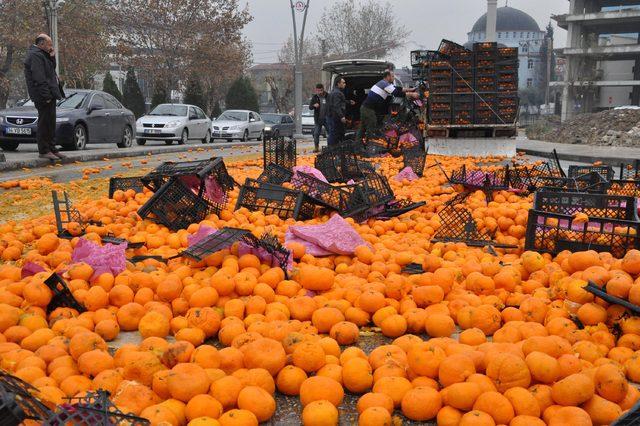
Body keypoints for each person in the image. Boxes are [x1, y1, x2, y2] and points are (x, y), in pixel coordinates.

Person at [24, 34, 65, 160]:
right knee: (44, 122)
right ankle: (44, 150)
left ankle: (52, 148)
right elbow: (39, 78)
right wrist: (46, 95)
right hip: (43, 95)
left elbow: (51, 70)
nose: (51, 47)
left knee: (50, 122)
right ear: (41, 44)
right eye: (49, 44)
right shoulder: (35, 55)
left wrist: (52, 57)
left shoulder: (42, 55)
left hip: (49, 93)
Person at [357, 70, 419, 143]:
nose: (393, 78)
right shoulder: (384, 84)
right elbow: (396, 93)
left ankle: (358, 144)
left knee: (363, 127)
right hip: (368, 109)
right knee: (371, 126)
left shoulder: (384, 83)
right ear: (388, 76)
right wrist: (412, 94)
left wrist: (410, 89)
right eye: (392, 76)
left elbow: (398, 88)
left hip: (365, 108)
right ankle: (371, 145)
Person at [326, 77, 347, 148]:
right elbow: (336, 106)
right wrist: (342, 116)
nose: (345, 84)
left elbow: (339, 102)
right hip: (335, 117)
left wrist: (348, 102)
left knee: (334, 133)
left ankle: (334, 148)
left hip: (333, 117)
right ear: (338, 84)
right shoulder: (337, 93)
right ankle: (331, 150)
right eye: (343, 83)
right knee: (334, 134)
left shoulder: (334, 92)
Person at [308, 83, 328, 153]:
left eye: (321, 90)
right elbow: (310, 107)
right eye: (318, 91)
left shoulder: (327, 96)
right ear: (316, 90)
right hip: (318, 119)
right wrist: (314, 105)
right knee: (316, 133)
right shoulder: (315, 97)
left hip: (327, 119)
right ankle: (316, 147)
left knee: (329, 133)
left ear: (323, 90)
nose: (319, 92)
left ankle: (330, 146)